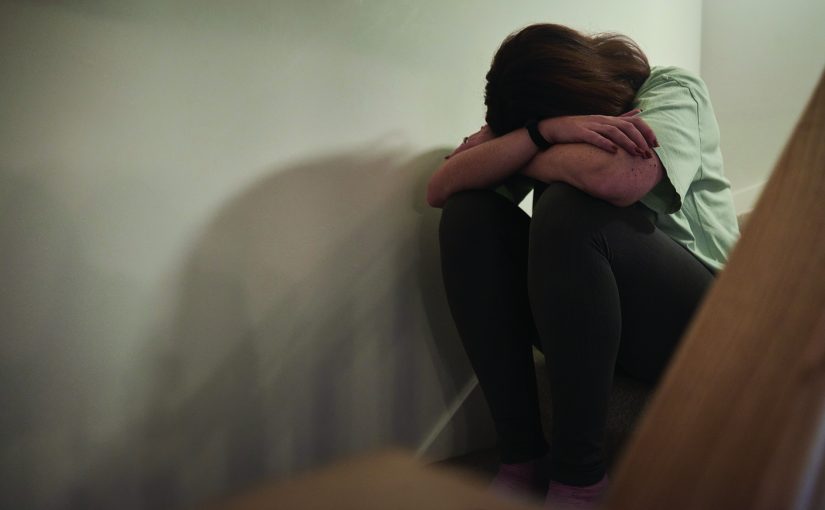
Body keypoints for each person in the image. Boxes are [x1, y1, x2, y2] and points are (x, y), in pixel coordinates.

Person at [426, 23, 739, 508]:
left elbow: (622, 178)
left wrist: (521, 152)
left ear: (585, 92)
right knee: (470, 215)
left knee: (573, 210)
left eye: (557, 122)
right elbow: (441, 187)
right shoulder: (548, 125)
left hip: (708, 323)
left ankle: (579, 479)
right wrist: (541, 134)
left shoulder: (673, 88)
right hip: (604, 313)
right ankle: (522, 458)